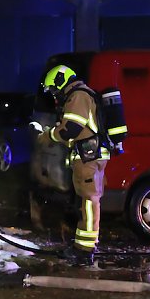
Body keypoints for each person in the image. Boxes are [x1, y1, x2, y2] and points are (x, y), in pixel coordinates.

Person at [34, 64, 109, 266]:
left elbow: (71, 129)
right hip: (88, 156)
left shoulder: (78, 96)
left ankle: (85, 250)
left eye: (53, 89)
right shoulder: (82, 95)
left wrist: (48, 135)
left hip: (88, 158)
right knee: (86, 202)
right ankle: (84, 246)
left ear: (60, 81)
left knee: (89, 201)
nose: (54, 95)